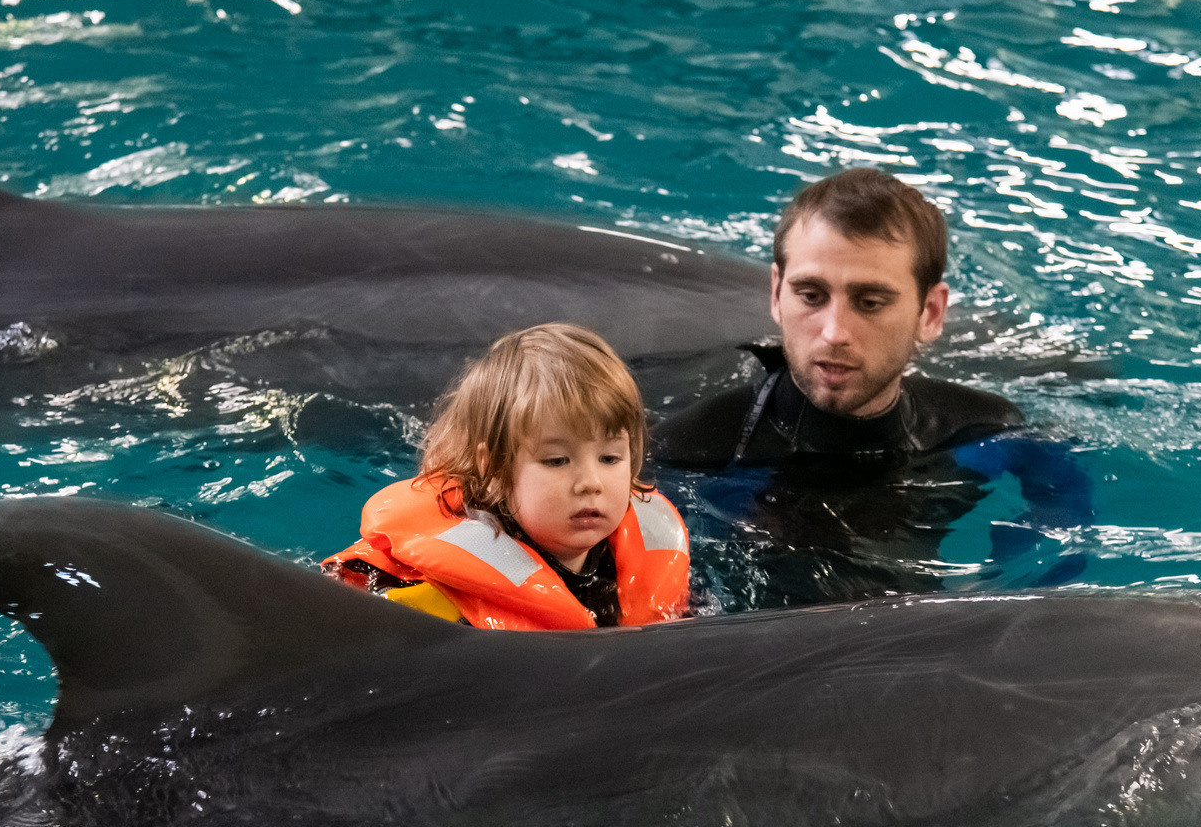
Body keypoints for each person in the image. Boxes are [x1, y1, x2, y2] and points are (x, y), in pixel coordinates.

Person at [653, 167, 1091, 601]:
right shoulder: (688, 453)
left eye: (869, 302)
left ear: (931, 313)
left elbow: (1062, 522)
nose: (834, 333)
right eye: (810, 296)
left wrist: (998, 590)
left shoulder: (981, 430)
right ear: (776, 294)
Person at [325, 323, 689, 630]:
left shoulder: (639, 561)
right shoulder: (433, 593)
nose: (590, 482)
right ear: (492, 467)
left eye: (610, 458)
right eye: (557, 461)